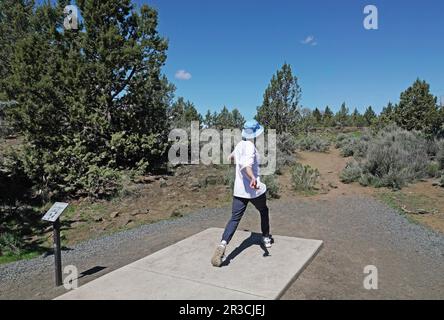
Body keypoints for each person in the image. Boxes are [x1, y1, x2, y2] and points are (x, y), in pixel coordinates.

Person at [211, 120, 272, 267]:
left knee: (234, 219)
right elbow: (246, 165)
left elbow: (231, 157)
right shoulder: (250, 147)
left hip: (239, 191)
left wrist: (232, 157)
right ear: (257, 134)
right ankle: (265, 237)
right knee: (264, 210)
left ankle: (222, 244)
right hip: (253, 190)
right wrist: (252, 178)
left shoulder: (240, 145)